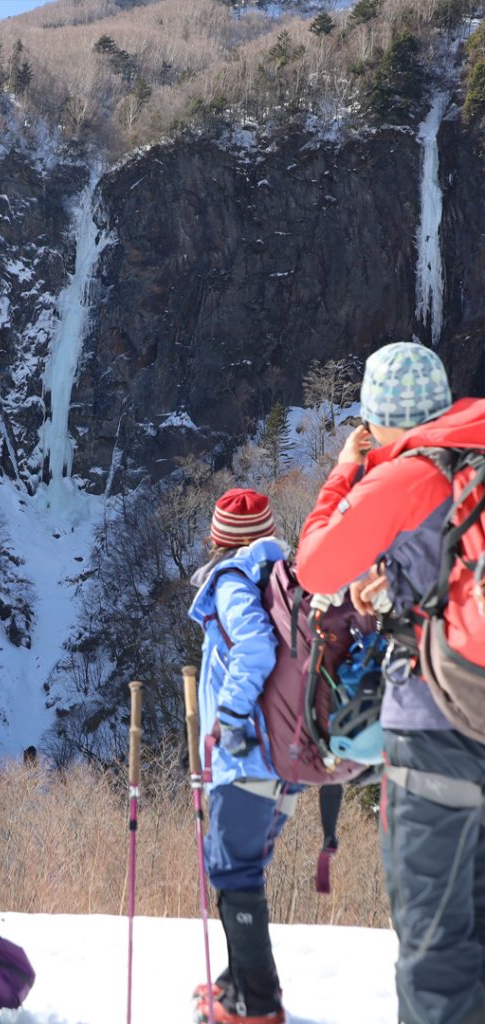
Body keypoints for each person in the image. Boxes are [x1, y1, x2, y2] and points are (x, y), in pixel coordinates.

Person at [296, 342, 485, 1024]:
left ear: (376, 420)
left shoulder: (407, 477)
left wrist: (346, 471)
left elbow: (315, 567)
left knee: (435, 948)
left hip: (437, 725)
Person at [188, 488, 296, 1024]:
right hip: (279, 758)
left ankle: (256, 1003)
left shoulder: (233, 581)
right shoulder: (281, 577)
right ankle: (237, 986)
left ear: (218, 539)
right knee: (238, 871)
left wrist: (227, 718)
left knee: (235, 875)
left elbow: (255, 648)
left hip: (246, 756)